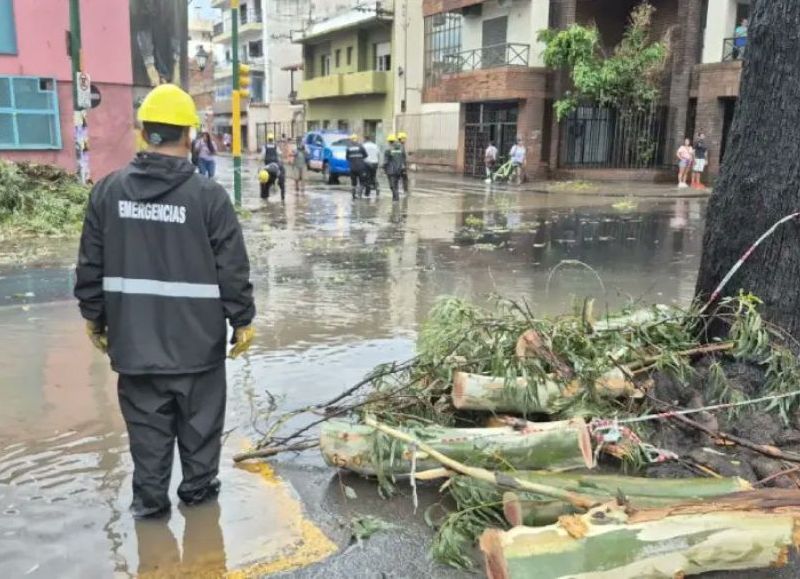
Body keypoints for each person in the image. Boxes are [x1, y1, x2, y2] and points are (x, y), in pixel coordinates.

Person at [74, 84, 255, 520]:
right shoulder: (209, 198)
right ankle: (200, 517)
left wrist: (94, 319)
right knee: (200, 441)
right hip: (199, 352)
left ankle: (150, 520)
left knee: (147, 443)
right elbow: (232, 270)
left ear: (142, 133)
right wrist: (243, 320)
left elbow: (89, 269)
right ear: (189, 136)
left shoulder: (107, 193)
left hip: (136, 351)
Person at [262, 133, 285, 200]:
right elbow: (279, 153)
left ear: (268, 139)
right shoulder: (275, 146)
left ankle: (266, 194)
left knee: (266, 179)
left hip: (267, 165)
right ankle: (276, 187)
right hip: (275, 164)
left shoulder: (265, 146)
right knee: (276, 176)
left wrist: (259, 160)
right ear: (273, 139)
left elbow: (262, 154)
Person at [345, 133, 369, 199]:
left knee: (353, 182)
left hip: (352, 168)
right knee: (362, 181)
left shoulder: (348, 148)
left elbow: (347, 157)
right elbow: (366, 155)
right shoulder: (361, 146)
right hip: (361, 167)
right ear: (357, 139)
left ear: (351, 140)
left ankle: (353, 195)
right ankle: (359, 195)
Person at [383, 134, 407, 202]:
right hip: (398, 170)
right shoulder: (400, 149)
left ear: (389, 141)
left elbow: (385, 162)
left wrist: (383, 168)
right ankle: (395, 199)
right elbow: (403, 159)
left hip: (391, 171)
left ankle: (396, 201)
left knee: (392, 186)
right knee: (395, 186)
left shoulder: (388, 150)